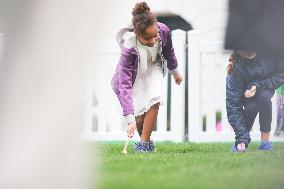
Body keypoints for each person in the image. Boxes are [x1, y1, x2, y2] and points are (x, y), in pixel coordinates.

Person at [111, 2, 183, 152]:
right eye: (147, 38)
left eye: (154, 34)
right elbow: (125, 84)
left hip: (153, 67)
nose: (153, 40)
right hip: (134, 75)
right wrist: (129, 120)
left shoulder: (163, 31)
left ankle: (143, 144)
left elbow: (169, 52)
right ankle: (147, 142)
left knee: (154, 100)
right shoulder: (129, 49)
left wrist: (175, 72)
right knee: (139, 118)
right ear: (137, 34)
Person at [226, 51, 284, 152]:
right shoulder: (236, 68)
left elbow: (281, 74)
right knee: (252, 107)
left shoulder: (269, 52)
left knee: (264, 96)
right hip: (247, 95)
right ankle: (241, 141)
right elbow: (233, 106)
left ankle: (265, 143)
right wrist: (241, 138)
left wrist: (258, 86)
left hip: (266, 85)